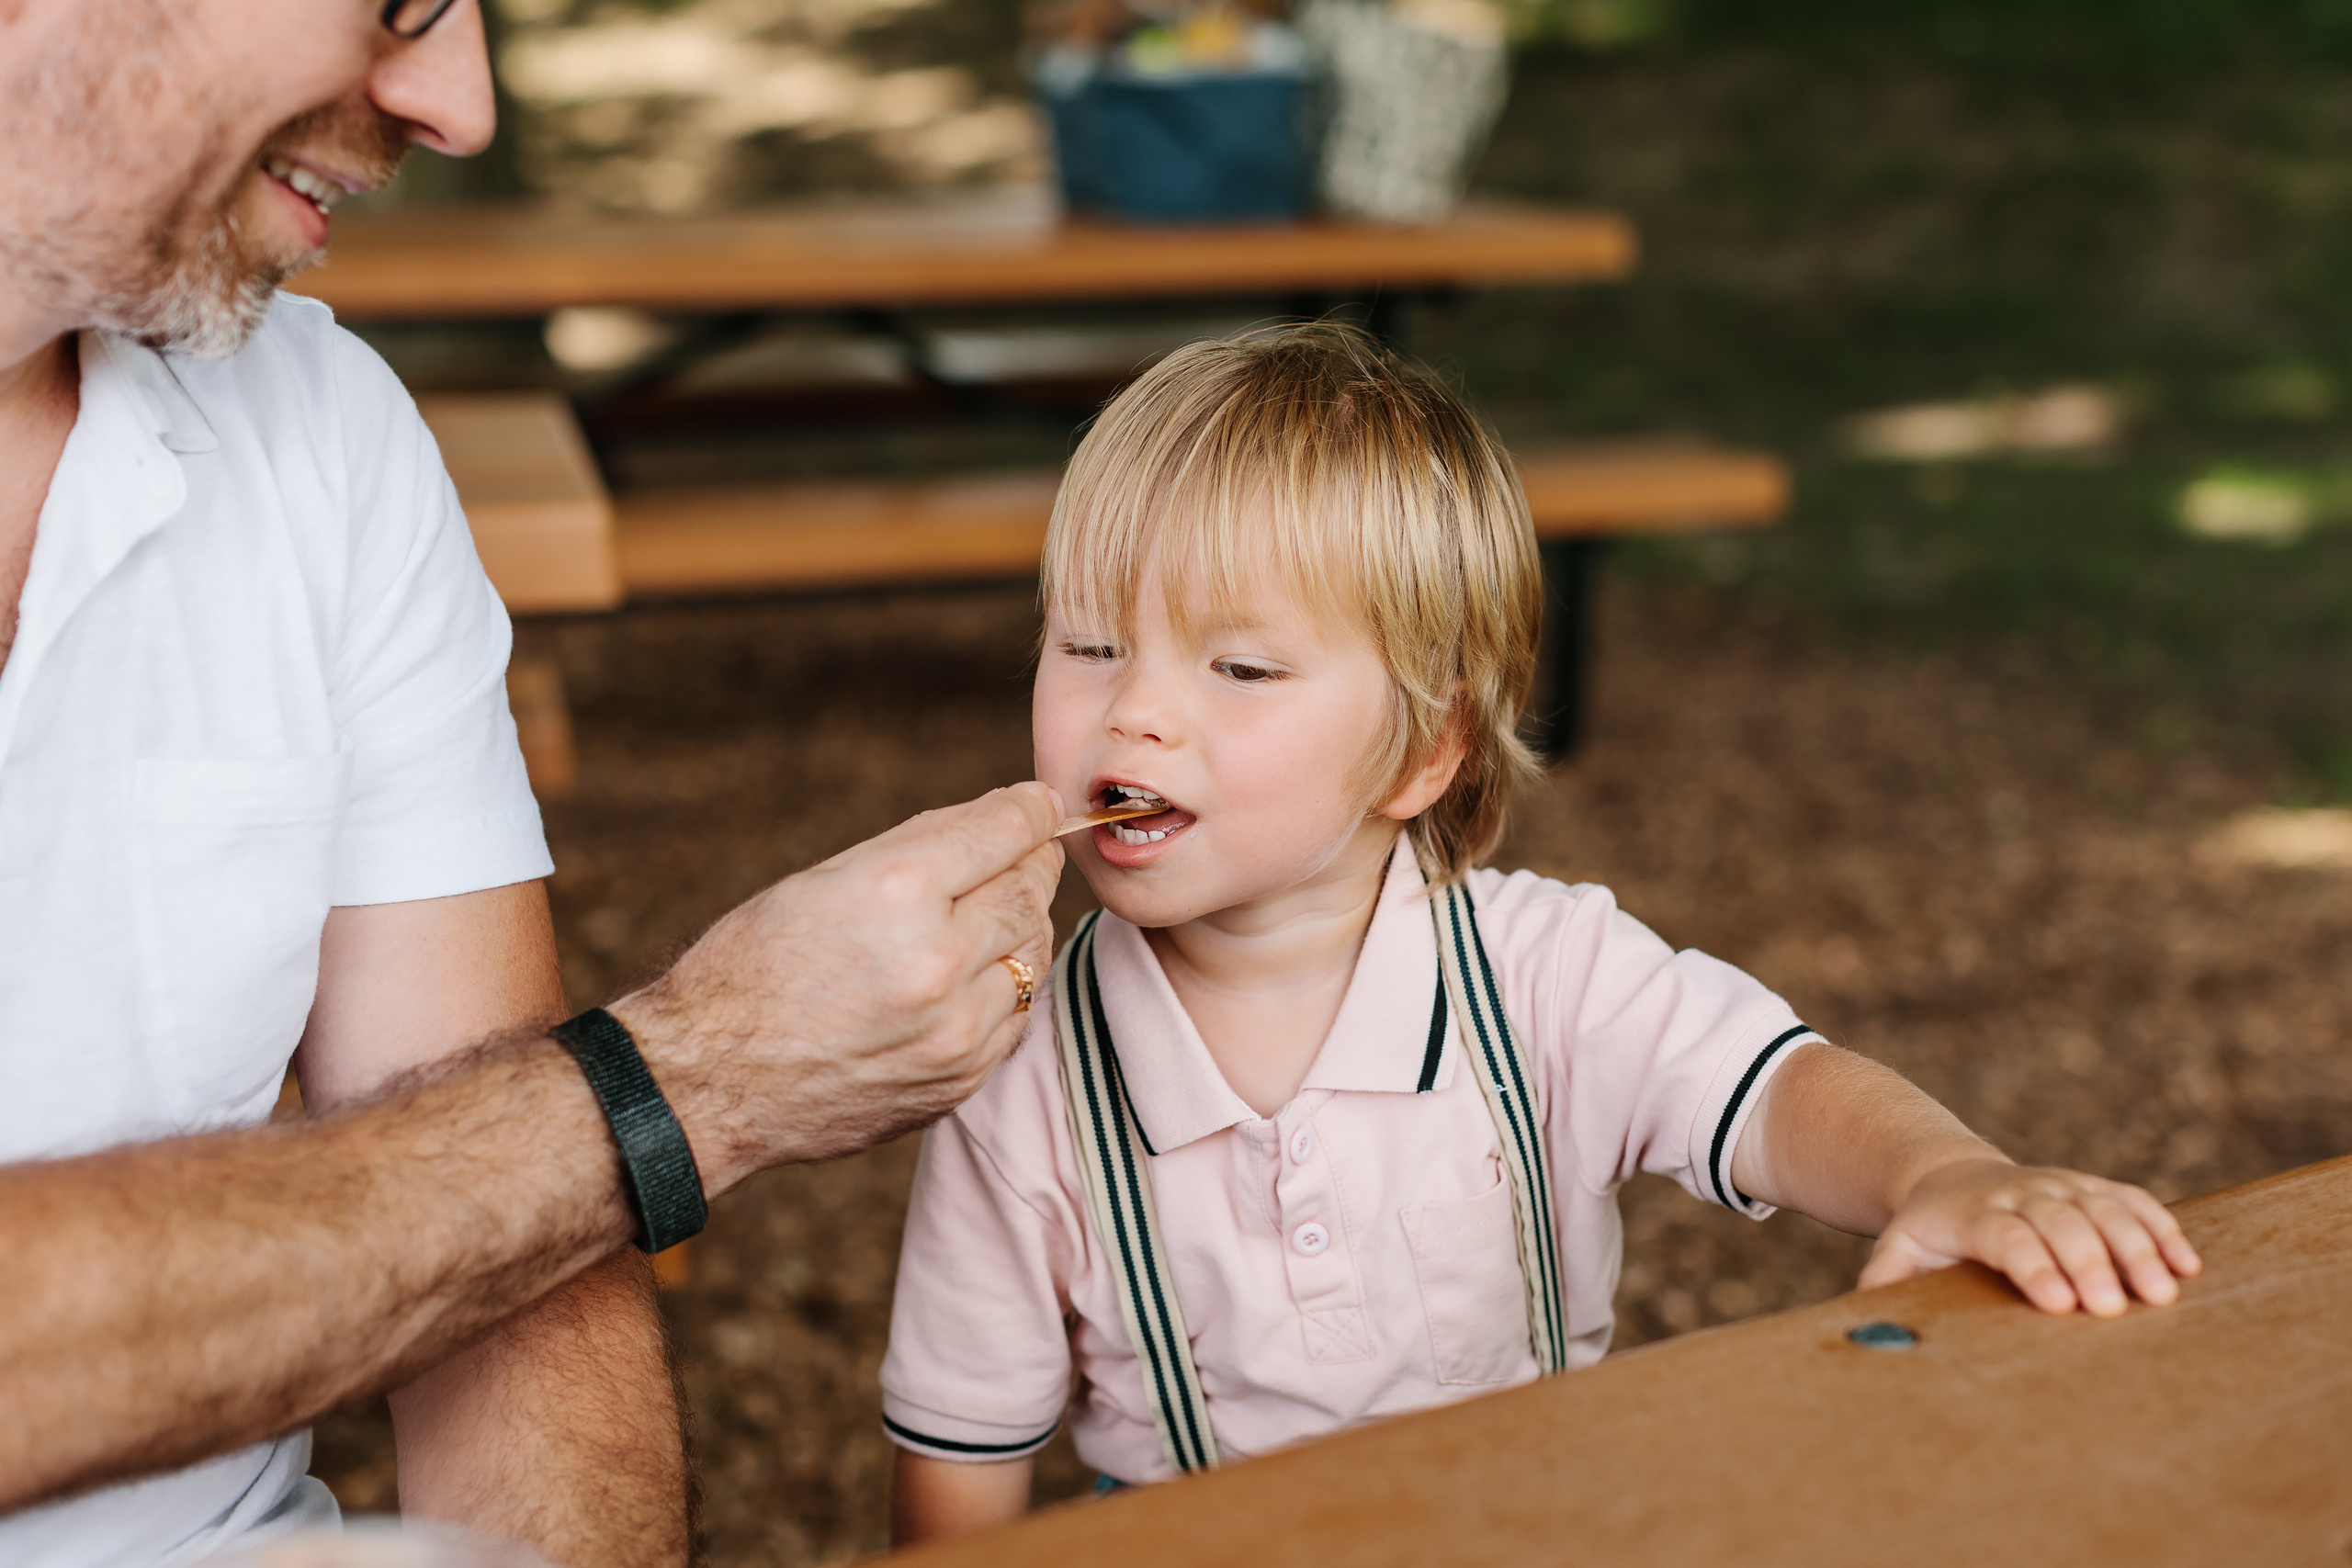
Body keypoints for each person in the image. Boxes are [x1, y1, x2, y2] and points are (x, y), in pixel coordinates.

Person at [0, 0, 1063, 1562]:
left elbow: (512, 1258)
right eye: (405, 1)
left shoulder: (326, 431)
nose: (461, 102)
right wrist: (695, 1075)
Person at [878, 325, 2204, 1540]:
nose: (1135, 715)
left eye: (1240, 667)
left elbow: (1778, 1092)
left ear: (1426, 750)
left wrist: (1944, 1175)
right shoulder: (1018, 1074)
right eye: (1091, 644)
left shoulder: (1549, 976)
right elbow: (960, 1462)